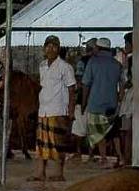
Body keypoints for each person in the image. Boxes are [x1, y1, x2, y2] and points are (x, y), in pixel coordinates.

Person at [78, 35, 124, 164]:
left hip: (95, 103)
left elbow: (86, 84)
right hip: (112, 104)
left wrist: (83, 103)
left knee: (98, 132)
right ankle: (120, 156)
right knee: (114, 133)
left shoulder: (93, 62)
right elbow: (123, 84)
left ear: (98, 48)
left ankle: (103, 157)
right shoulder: (117, 64)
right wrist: (120, 100)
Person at [35, 34, 76, 179]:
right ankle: (40, 173)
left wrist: (71, 111)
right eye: (48, 46)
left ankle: (59, 173)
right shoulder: (42, 66)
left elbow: (72, 90)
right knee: (41, 144)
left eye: (54, 46)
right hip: (43, 110)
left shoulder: (65, 67)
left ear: (58, 49)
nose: (50, 49)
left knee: (58, 143)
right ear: (44, 48)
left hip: (58, 110)